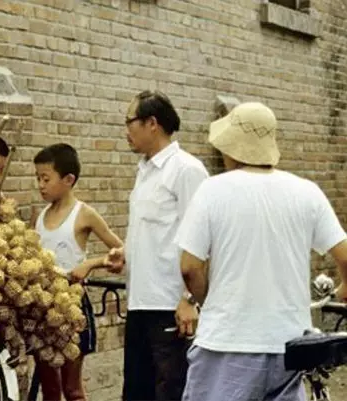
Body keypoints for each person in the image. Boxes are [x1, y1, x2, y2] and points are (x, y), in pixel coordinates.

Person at [174, 102, 347, 401]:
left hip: (227, 343)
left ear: (230, 149)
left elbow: (190, 267)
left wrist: (208, 301)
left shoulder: (213, 190)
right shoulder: (306, 191)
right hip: (290, 347)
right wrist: (343, 290)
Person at [106, 90, 210, 400]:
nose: (126, 130)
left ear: (152, 123)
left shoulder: (187, 170)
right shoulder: (145, 171)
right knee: (137, 393)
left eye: (130, 121)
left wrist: (190, 299)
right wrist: (124, 252)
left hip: (171, 309)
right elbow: (158, 235)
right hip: (139, 304)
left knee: (171, 392)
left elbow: (203, 241)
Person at [31, 143, 124, 401]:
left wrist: (91, 264)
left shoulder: (84, 214)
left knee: (72, 390)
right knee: (50, 390)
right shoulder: (40, 216)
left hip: (72, 308)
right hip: (43, 308)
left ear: (68, 179)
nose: (40, 184)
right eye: (37, 178)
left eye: (46, 178)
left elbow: (121, 251)